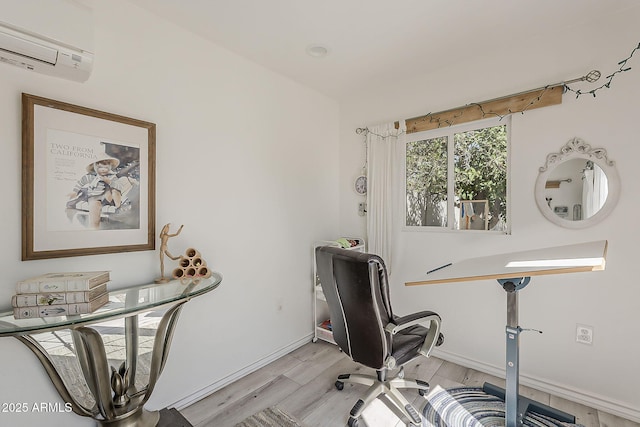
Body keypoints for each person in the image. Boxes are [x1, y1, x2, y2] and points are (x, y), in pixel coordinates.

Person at [67, 154, 127, 229]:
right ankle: (94, 226)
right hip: (95, 197)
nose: (103, 170)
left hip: (108, 198)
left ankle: (118, 207)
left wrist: (110, 182)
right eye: (100, 167)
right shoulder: (91, 177)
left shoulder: (112, 176)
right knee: (94, 206)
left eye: (106, 168)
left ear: (109, 167)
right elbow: (81, 182)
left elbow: (120, 187)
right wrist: (75, 192)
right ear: (95, 167)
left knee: (115, 190)